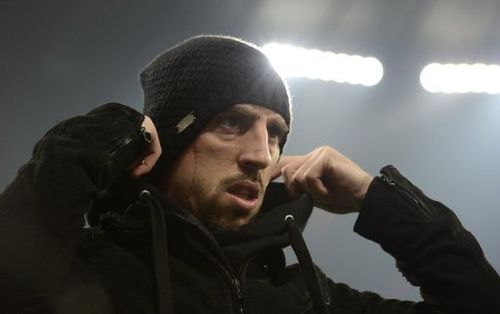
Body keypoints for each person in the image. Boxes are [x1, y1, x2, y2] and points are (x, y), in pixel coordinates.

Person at [0, 35, 499, 314]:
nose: (262, 155)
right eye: (233, 123)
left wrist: (378, 199)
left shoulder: (305, 298)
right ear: (167, 141)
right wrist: (87, 145)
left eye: (277, 133)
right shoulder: (91, 276)